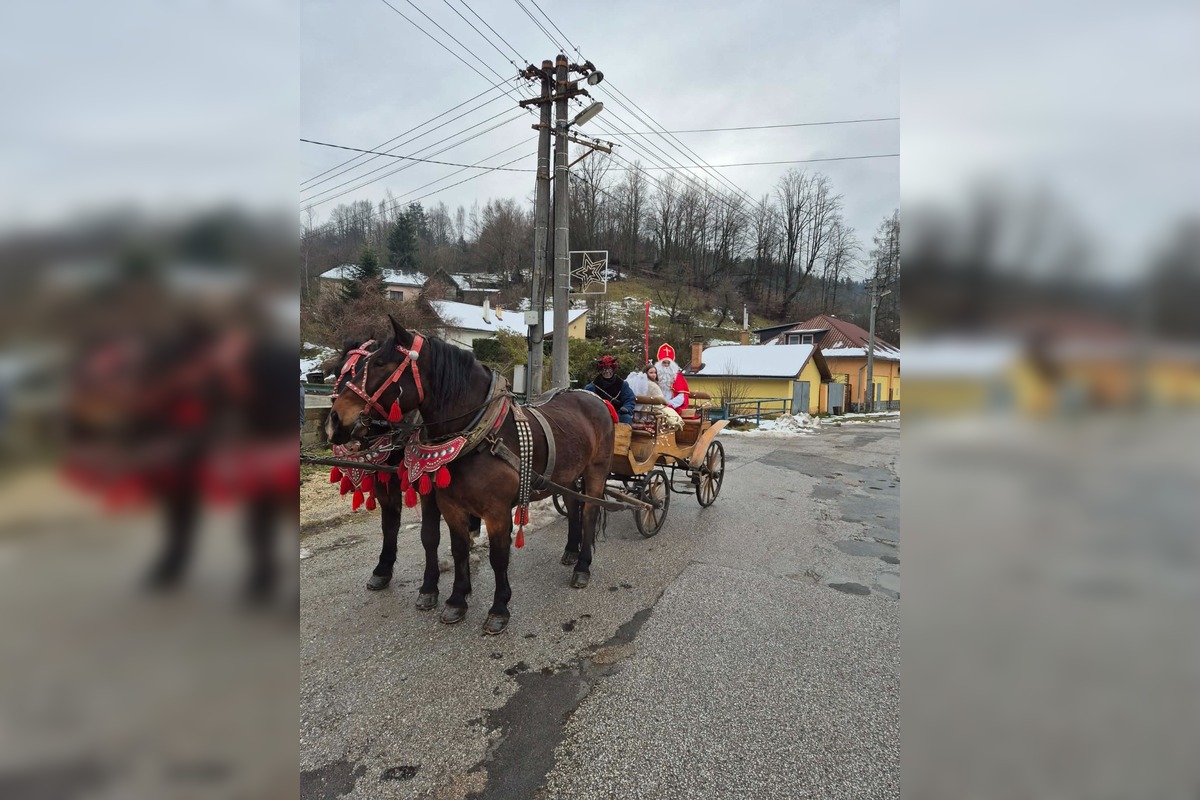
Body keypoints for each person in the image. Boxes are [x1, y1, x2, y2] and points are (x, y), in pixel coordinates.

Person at [584, 355, 635, 424]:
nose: (607, 372)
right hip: (599, 415)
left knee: (626, 418)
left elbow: (629, 399)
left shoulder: (622, 384)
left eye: (609, 369)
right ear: (601, 371)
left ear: (613, 370)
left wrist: (626, 408)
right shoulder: (592, 387)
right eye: (604, 369)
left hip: (618, 414)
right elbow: (587, 403)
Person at [654, 343, 690, 412]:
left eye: (668, 363)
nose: (666, 365)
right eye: (664, 363)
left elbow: (682, 396)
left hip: (671, 406)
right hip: (657, 404)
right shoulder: (655, 375)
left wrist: (670, 404)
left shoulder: (678, 376)